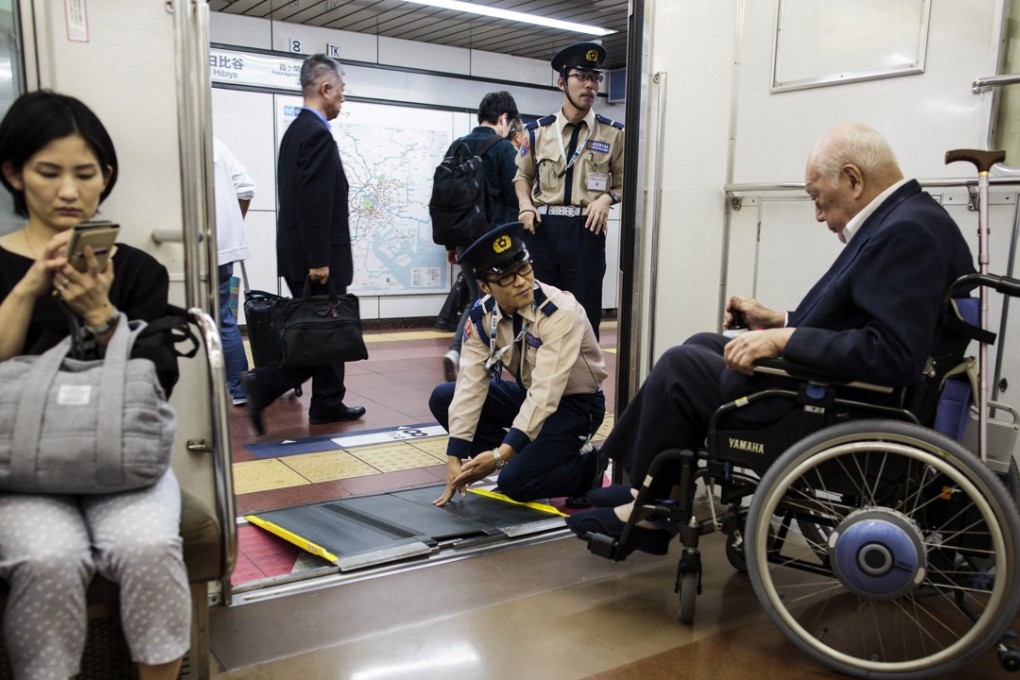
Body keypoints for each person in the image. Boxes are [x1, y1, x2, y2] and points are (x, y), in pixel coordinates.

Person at [566, 123, 976, 555]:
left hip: (826, 404)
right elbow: (864, 322)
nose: (818, 214)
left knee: (681, 367)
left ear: (854, 180)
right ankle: (647, 490)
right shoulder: (914, 218)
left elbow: (892, 353)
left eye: (818, 198)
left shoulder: (906, 233)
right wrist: (778, 320)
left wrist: (783, 342)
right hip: (835, 386)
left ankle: (647, 509)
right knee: (705, 343)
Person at [0, 91, 189, 680]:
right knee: (47, 556)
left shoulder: (136, 271)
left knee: (149, 547)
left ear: (106, 177)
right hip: (19, 467)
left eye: (85, 174)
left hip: (121, 459)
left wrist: (105, 316)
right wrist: (32, 287)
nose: (68, 192)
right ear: (13, 173)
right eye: (47, 172)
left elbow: (158, 378)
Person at [429, 222, 609, 507]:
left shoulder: (561, 312)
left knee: (515, 482)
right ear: (484, 286)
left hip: (576, 406)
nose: (522, 282)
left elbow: (546, 392)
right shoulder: (481, 317)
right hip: (531, 396)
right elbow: (470, 385)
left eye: (525, 269)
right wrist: (454, 456)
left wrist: (501, 455)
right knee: (443, 397)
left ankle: (587, 466)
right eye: (507, 278)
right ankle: (524, 455)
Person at [240, 53, 365, 434]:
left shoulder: (296, 131)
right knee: (325, 334)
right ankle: (263, 385)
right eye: (341, 91)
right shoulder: (315, 135)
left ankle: (327, 402)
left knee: (325, 329)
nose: (343, 99)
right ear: (325, 88)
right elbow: (313, 201)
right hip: (316, 257)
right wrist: (318, 260)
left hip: (301, 252)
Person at [514, 41, 625, 339]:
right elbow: (522, 176)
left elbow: (625, 182)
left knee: (585, 316)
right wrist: (525, 204)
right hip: (542, 230)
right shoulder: (537, 131)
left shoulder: (614, 134)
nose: (589, 85)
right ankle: (536, 381)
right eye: (581, 76)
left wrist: (608, 197)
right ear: (561, 82)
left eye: (595, 77)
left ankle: (585, 384)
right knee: (538, 312)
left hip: (586, 230)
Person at [442, 91, 520, 382]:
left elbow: (448, 198)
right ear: (504, 119)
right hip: (496, 241)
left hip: (464, 239)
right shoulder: (504, 150)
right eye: (510, 124)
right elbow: (515, 199)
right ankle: (475, 360)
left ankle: (462, 355)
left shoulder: (457, 145)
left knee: (478, 298)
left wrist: (452, 244)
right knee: (492, 302)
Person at [212, 136, 255, 406]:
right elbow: (247, 189)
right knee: (224, 319)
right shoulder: (217, 145)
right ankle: (240, 388)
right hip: (222, 249)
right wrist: (229, 229)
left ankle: (236, 387)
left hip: (196, 250)